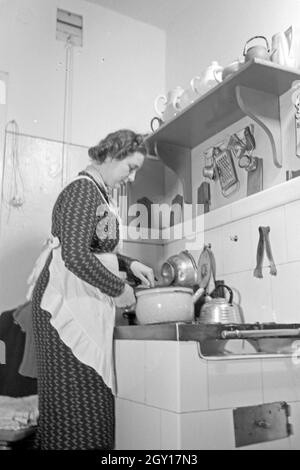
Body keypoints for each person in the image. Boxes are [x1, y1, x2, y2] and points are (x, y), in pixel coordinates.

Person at [28, 129, 155, 450]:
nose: (133, 176)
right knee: (75, 406)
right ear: (111, 156)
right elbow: (74, 255)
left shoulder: (98, 193)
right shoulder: (83, 192)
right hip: (65, 309)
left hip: (76, 303)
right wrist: (120, 289)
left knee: (85, 404)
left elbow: (95, 247)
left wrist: (129, 265)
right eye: (131, 167)